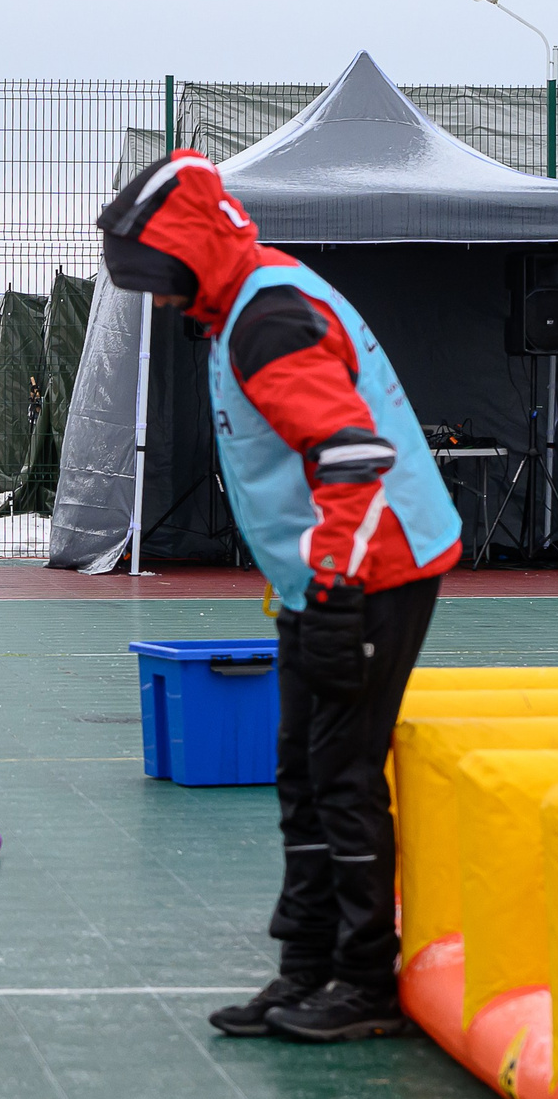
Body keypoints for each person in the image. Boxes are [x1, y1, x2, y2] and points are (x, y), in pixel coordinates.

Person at [98, 150, 458, 1044]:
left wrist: (333, 589)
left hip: (375, 566)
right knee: (298, 769)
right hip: (331, 571)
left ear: (190, 253)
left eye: (160, 278)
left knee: (341, 774)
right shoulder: (240, 304)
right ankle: (306, 966)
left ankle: (366, 980)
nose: (160, 299)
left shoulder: (266, 318)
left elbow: (352, 456)